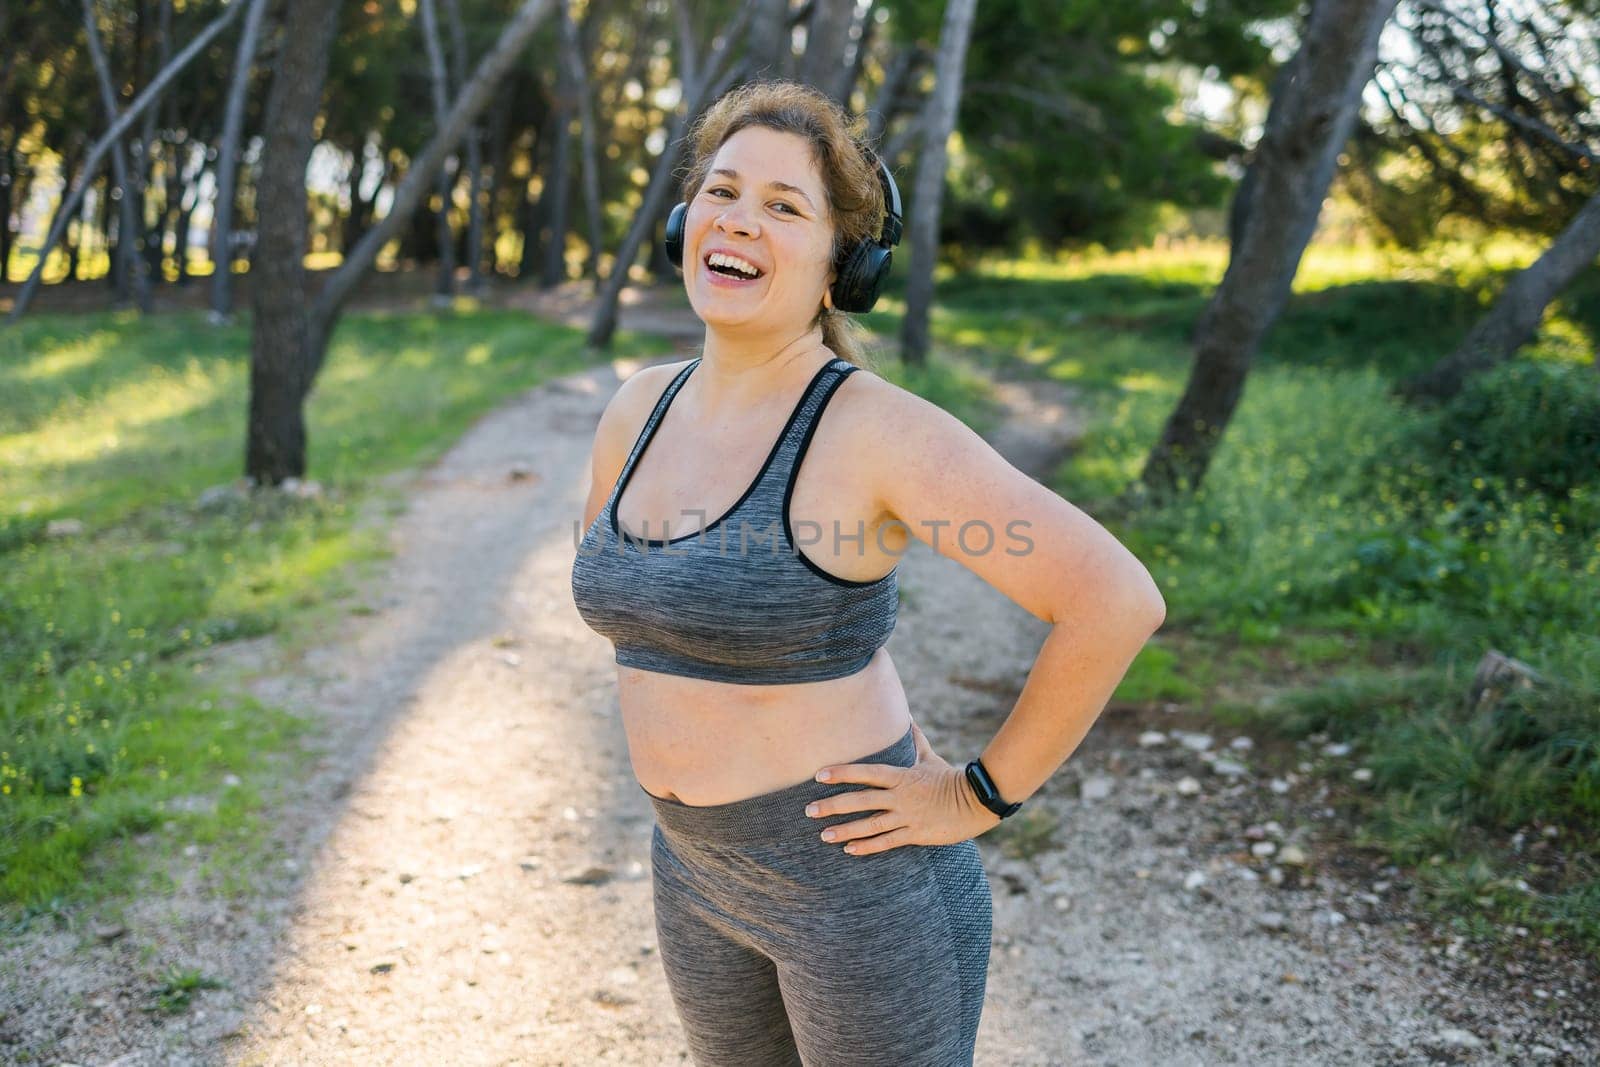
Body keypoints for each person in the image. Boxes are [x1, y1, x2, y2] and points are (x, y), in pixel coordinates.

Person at [570, 79, 1165, 1067]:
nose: (738, 221)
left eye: (783, 205)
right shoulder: (638, 409)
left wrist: (972, 795)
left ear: (842, 264)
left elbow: (1111, 598)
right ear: (683, 221)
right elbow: (640, 602)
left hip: (856, 887)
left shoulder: (873, 433)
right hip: (690, 870)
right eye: (721, 191)